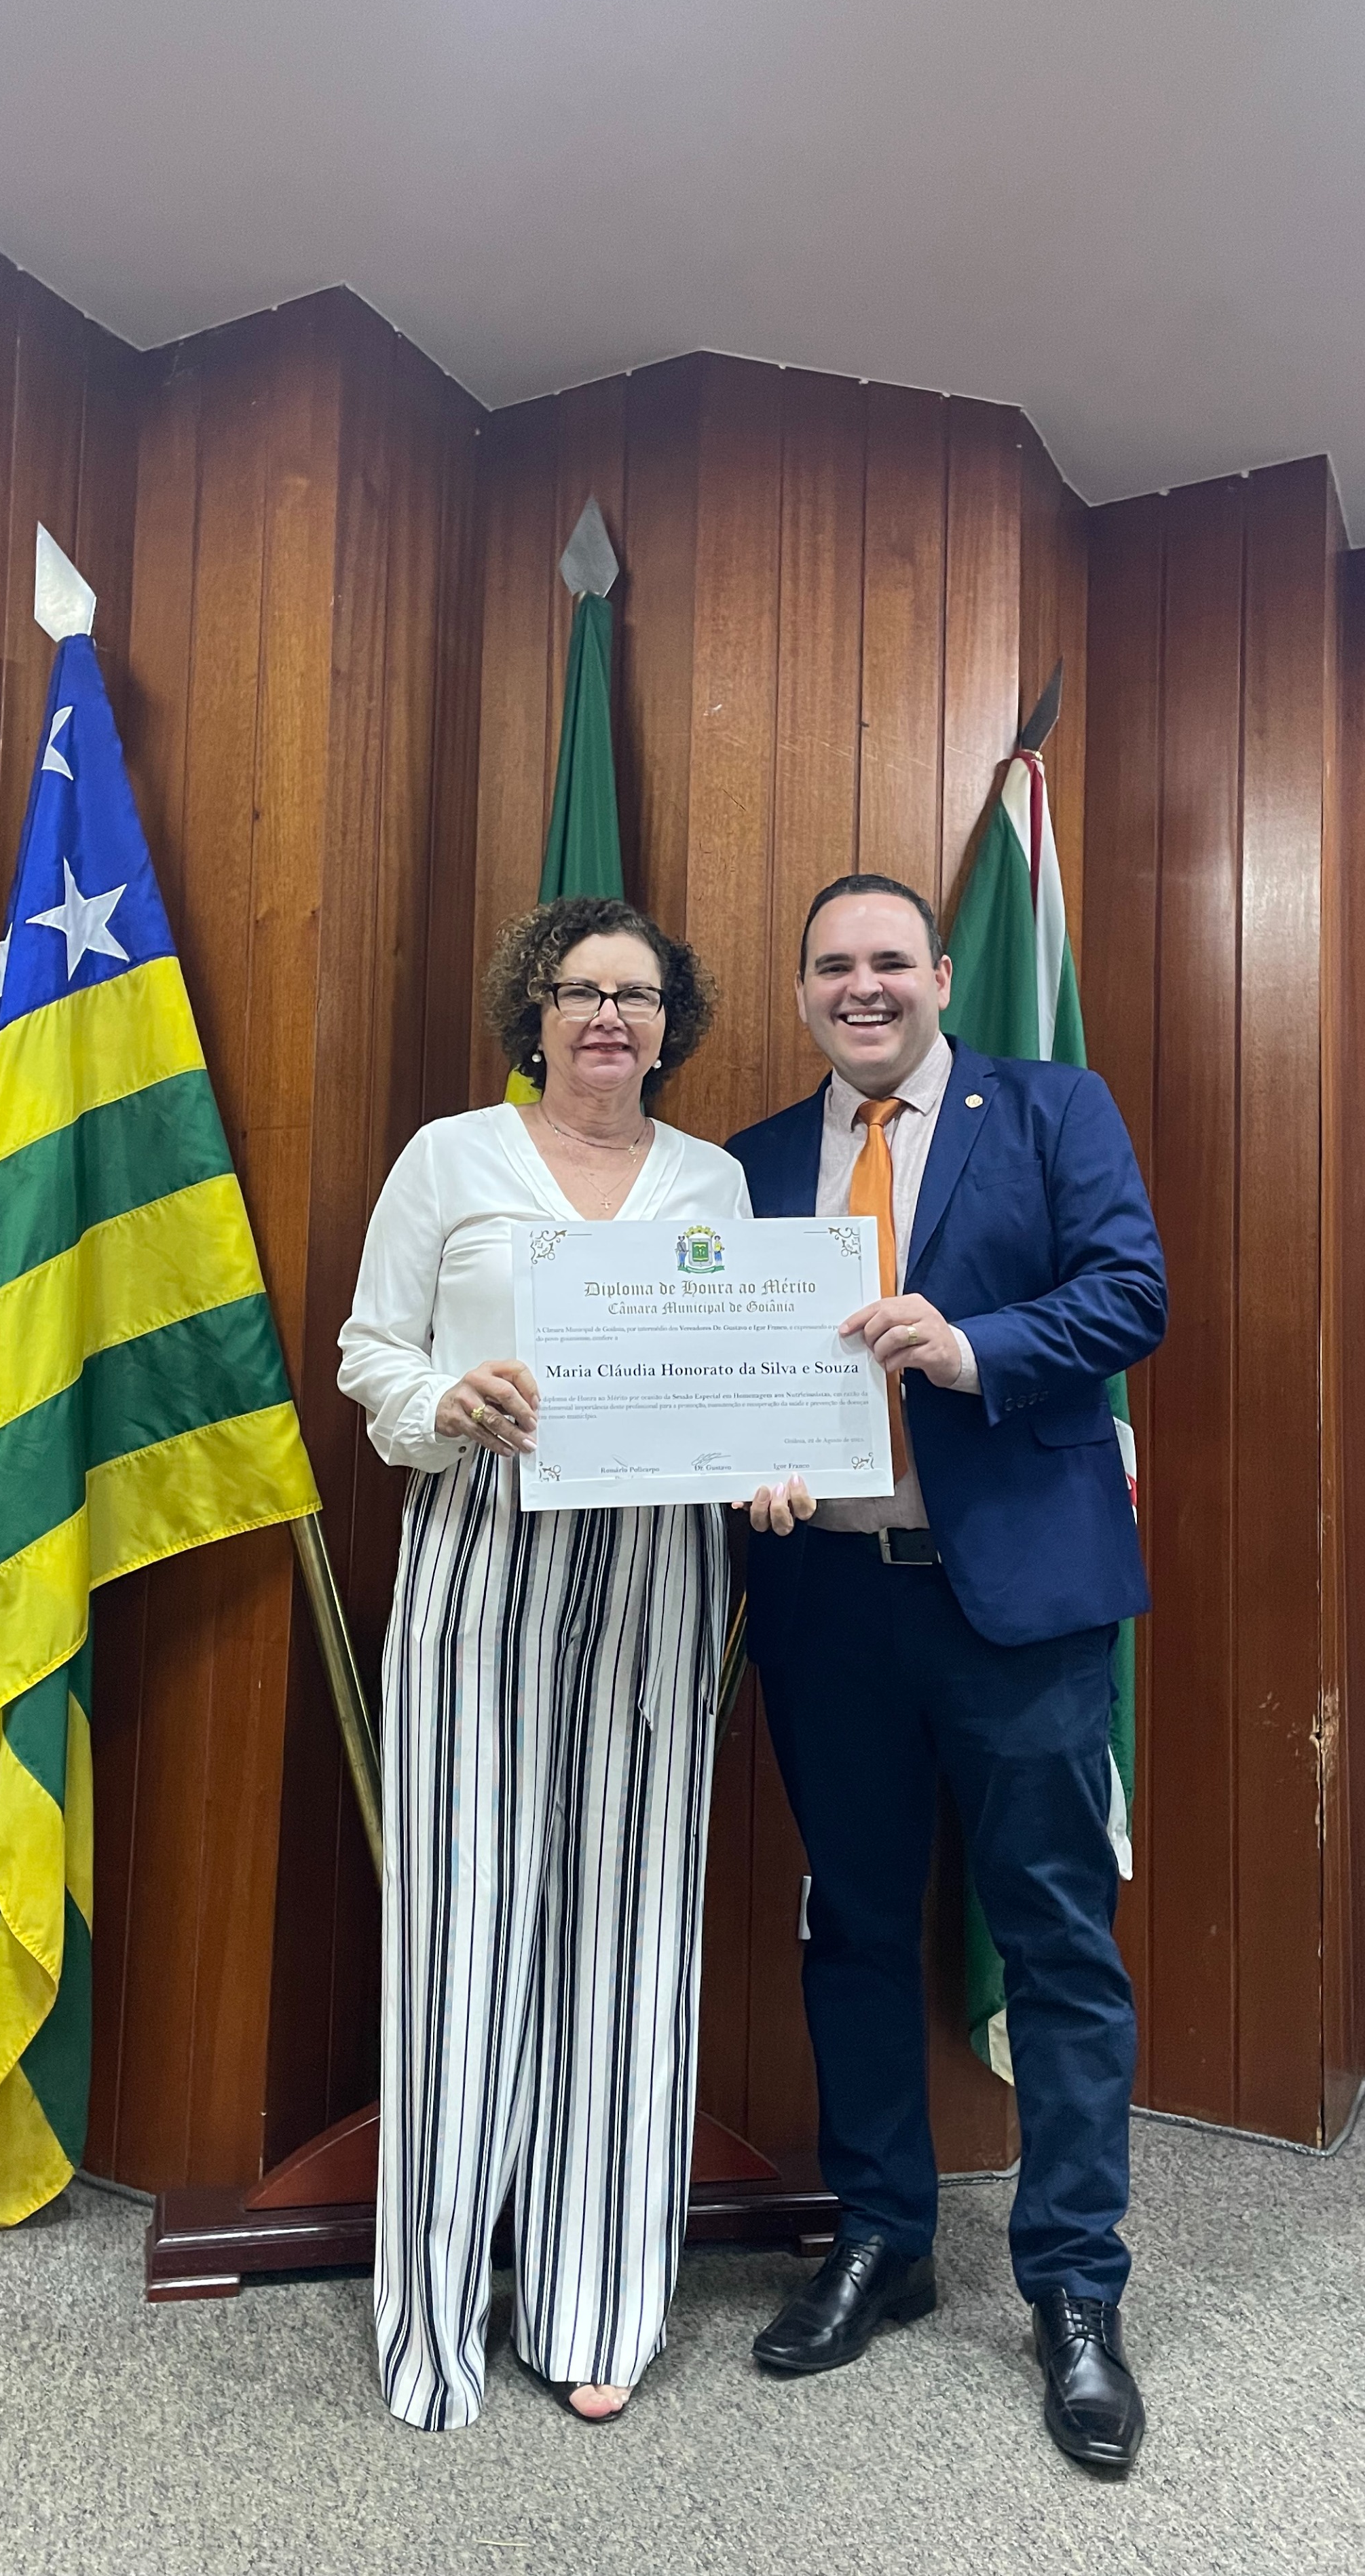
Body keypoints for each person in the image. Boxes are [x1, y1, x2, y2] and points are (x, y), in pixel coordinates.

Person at [728, 870, 1167, 2473]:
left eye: (891, 961)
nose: (864, 987)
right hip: (829, 1602)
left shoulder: (1052, 1109)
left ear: (941, 975)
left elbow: (1132, 1293)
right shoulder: (751, 1163)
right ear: (802, 990)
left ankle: (1074, 2286)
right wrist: (741, 1460)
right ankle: (883, 2239)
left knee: (1055, 1938)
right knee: (852, 1924)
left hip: (1019, 1606)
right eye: (833, 964)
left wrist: (973, 1347)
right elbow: (725, 1366)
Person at [338, 895, 747, 2433]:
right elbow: (370, 1347)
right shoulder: (450, 1159)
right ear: (536, 1010)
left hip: (657, 1569)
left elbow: (752, 1371)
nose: (608, 1018)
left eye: (637, 997)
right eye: (581, 991)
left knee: (632, 1926)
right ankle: (435, 2315)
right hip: (480, 1553)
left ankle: (597, 2302)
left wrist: (780, 1455)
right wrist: (443, 1404)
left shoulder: (712, 1182)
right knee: (462, 1930)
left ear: (668, 1024)